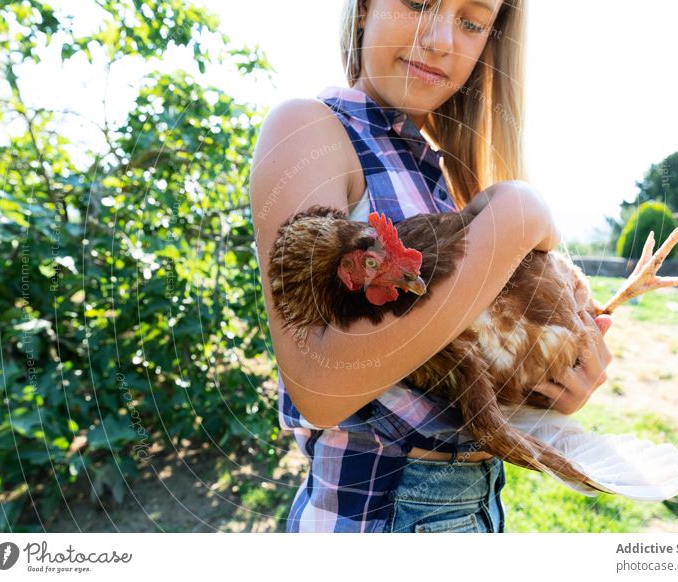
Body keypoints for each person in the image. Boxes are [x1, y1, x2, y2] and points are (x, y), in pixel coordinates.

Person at [250, 0, 613, 533]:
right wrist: (513, 217)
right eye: (418, 2)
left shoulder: (437, 175)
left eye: (472, 22)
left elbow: (444, 371)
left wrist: (545, 384)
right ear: (363, 8)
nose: (442, 39)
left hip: (476, 504)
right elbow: (320, 387)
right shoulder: (309, 130)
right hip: (380, 511)